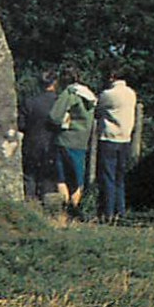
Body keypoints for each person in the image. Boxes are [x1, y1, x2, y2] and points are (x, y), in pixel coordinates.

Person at [48, 71, 97, 215]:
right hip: (82, 141)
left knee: (61, 177)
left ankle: (63, 211)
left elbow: (54, 116)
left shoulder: (69, 93)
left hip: (65, 139)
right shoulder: (90, 95)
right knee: (77, 179)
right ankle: (75, 210)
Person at [94, 68, 137, 222]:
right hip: (125, 138)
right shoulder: (131, 93)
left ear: (112, 77)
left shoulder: (108, 95)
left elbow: (98, 108)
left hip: (109, 138)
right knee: (120, 177)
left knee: (108, 177)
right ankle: (121, 210)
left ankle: (108, 212)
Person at [19, 71, 60, 203]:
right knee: (48, 178)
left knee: (29, 175)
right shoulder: (59, 103)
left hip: (31, 142)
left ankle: (30, 203)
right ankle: (48, 208)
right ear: (55, 83)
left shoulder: (29, 102)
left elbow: (21, 124)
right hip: (52, 143)